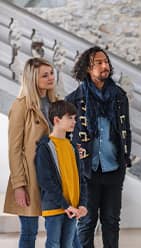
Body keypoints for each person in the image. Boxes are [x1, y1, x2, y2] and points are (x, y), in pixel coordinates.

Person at [66, 46, 131, 248]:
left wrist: (124, 160)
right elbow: (69, 139)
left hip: (113, 168)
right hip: (86, 171)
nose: (105, 66)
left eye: (106, 62)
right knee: (86, 222)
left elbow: (125, 130)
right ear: (87, 68)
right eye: (99, 63)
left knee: (111, 222)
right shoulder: (74, 100)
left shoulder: (119, 96)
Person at [3, 57, 57, 247]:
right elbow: (15, 149)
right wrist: (19, 185)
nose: (51, 78)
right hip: (29, 178)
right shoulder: (21, 106)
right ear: (32, 78)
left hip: (54, 176)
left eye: (51, 73)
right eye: (45, 75)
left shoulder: (56, 103)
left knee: (60, 230)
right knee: (29, 232)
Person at [35, 100, 88, 248]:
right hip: (55, 207)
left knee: (67, 244)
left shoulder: (72, 147)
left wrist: (82, 204)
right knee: (53, 244)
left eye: (75, 118)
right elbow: (46, 181)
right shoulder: (45, 147)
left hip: (73, 208)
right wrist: (65, 205)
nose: (74, 121)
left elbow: (81, 179)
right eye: (70, 118)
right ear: (57, 120)